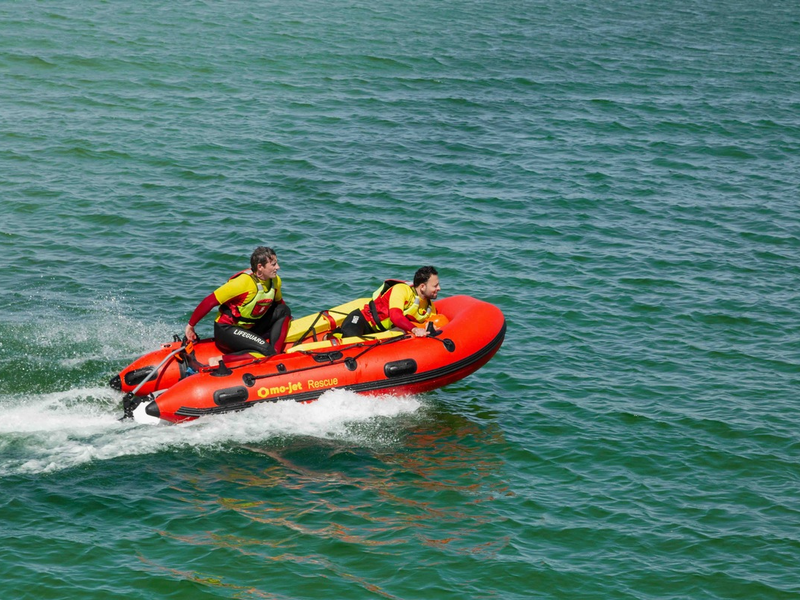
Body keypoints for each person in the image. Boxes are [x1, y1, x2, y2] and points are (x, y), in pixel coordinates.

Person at [184, 246, 291, 359]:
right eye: (273, 264)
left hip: (250, 327)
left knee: (284, 310)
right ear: (260, 267)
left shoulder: (275, 281)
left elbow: (280, 303)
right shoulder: (242, 283)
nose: (278, 267)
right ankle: (221, 360)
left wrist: (288, 321)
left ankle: (275, 353)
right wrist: (191, 326)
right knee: (266, 350)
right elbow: (210, 301)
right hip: (226, 330)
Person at [340, 266, 441, 338]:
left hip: (382, 333)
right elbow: (395, 316)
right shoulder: (401, 290)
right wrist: (415, 329)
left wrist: (428, 327)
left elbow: (432, 323)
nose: (439, 288)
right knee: (350, 342)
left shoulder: (429, 307)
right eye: (435, 286)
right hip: (363, 321)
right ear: (422, 287)